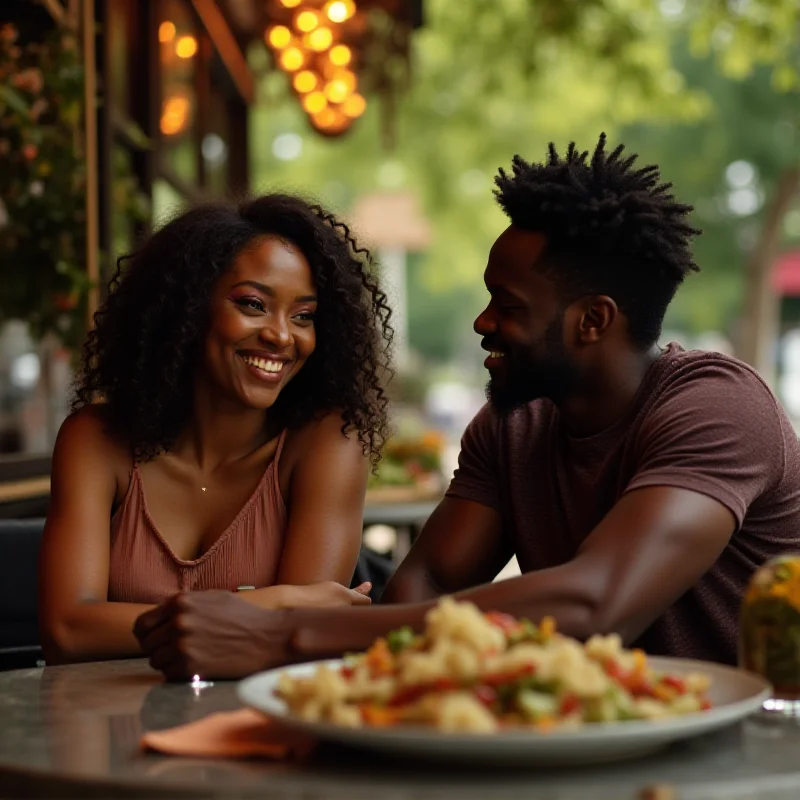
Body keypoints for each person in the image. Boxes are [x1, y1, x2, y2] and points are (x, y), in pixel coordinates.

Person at [134, 134, 800, 680]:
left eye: (508, 307)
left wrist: (284, 632)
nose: (483, 323)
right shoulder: (513, 424)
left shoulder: (719, 406)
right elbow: (427, 584)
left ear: (593, 321)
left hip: (754, 761)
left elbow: (597, 602)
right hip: (598, 749)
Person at [39, 194, 393, 664]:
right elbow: (66, 630)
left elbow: (303, 640)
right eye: (253, 304)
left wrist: (287, 615)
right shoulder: (96, 441)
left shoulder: (325, 444)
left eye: (303, 316)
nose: (282, 336)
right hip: (100, 726)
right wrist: (276, 601)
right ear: (185, 310)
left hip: (256, 726)